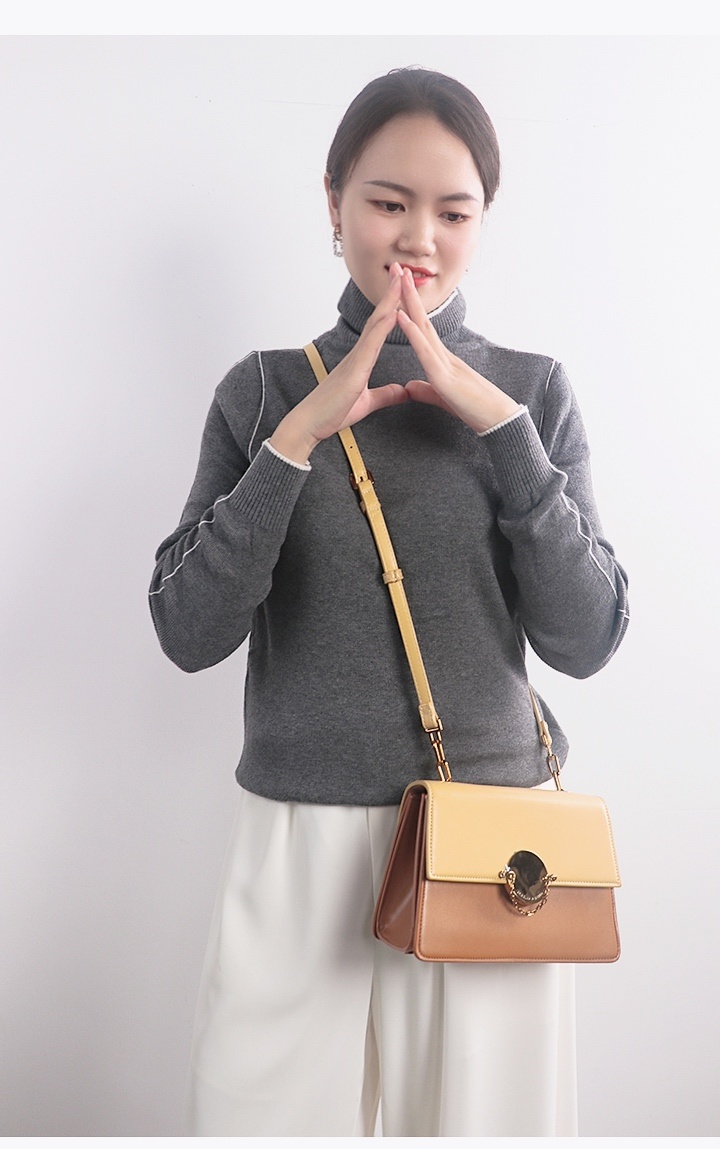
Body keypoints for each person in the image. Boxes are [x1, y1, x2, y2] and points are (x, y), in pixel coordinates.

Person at [149, 66, 629, 1137]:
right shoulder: (263, 391)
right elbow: (187, 630)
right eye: (387, 201)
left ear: (482, 222)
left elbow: (588, 635)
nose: (419, 237)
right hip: (299, 837)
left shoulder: (530, 392)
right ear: (333, 202)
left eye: (453, 211)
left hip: (491, 843)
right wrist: (295, 440)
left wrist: (505, 436)